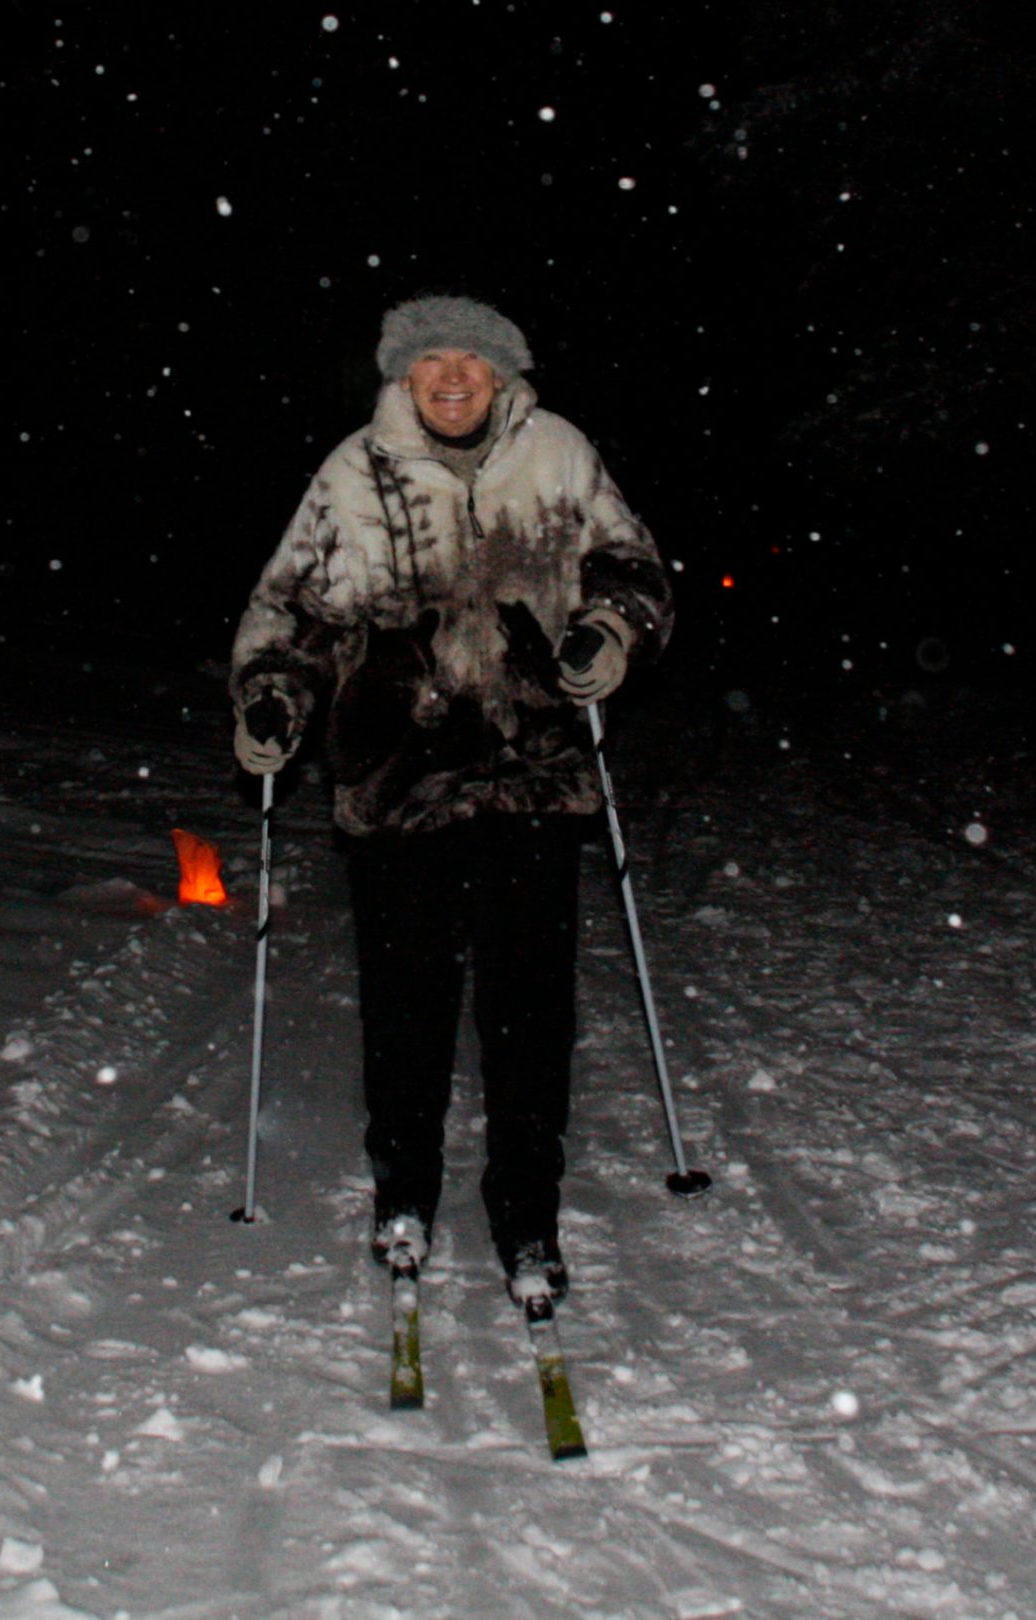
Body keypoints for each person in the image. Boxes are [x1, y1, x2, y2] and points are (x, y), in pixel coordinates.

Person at [229, 294, 672, 1303]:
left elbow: (632, 566)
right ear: (404, 378)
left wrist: (608, 630)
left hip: (533, 778)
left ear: (502, 374)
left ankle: (528, 1215)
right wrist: (271, 697)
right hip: (402, 781)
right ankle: (403, 1197)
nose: (455, 379)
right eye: (435, 365)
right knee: (406, 1011)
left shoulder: (559, 454)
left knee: (529, 1016)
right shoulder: (355, 474)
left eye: (473, 362)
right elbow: (292, 609)